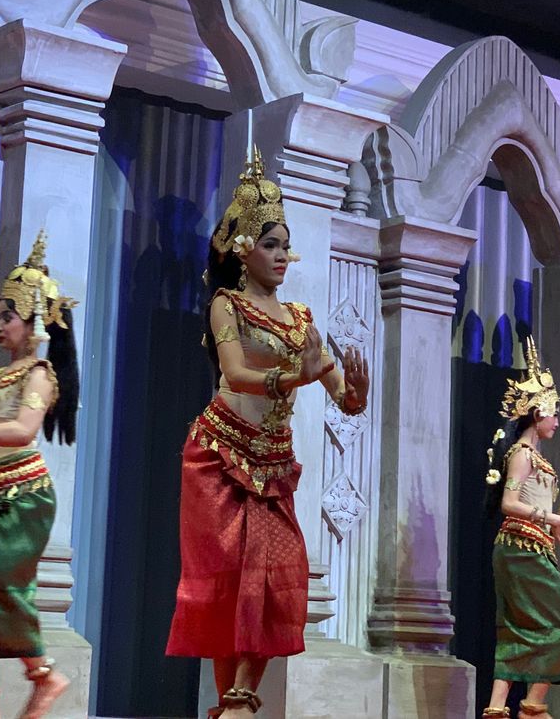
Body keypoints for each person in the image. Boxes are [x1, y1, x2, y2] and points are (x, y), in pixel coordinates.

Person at [166, 148, 370, 718]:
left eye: (285, 245)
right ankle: (231, 701)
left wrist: (356, 392)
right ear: (242, 249)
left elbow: (340, 396)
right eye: (271, 244)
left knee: (279, 570)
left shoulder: (300, 320)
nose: (281, 255)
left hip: (273, 463)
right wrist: (294, 377)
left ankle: (241, 696)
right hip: (218, 455)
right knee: (228, 578)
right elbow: (234, 373)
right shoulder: (226, 305)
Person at [0, 231, 79, 719]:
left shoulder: (39, 373)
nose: (0, 324)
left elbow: (24, 430)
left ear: (35, 320)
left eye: (9, 316)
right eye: (0, 315)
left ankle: (45, 676)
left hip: (25, 496)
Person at [481, 337, 560, 719]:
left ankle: (497, 707)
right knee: (559, 627)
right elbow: (509, 504)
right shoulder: (522, 455)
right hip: (521, 549)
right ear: (539, 413)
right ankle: (533, 707)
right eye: (554, 413)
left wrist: (552, 527)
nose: (557, 421)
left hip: (530, 547)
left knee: (522, 629)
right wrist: (550, 518)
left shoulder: (534, 455)